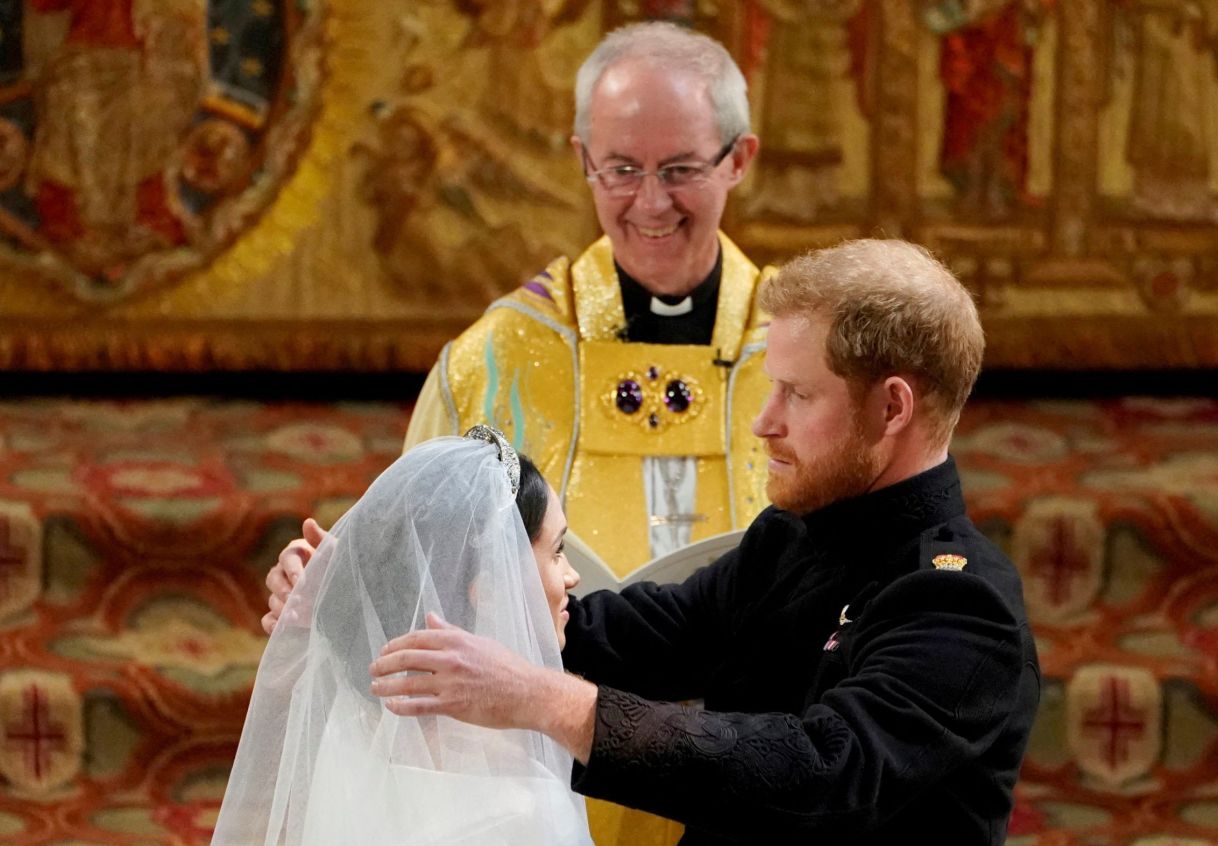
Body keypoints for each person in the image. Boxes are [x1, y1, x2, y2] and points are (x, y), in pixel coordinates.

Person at [358, 239, 1042, 844]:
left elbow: (817, 775)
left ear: (893, 407)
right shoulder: (790, 539)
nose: (763, 423)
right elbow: (631, 637)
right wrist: (364, 592)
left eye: (797, 396)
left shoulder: (960, 603)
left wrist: (547, 700)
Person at [271, 21, 770, 843]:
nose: (650, 201)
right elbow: (411, 577)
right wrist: (327, 592)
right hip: (536, 771)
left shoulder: (806, 350)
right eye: (620, 169)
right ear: (582, 160)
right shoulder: (495, 358)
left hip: (752, 765)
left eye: (680, 170)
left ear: (738, 160)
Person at [215, 426, 591, 845]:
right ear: (487, 584)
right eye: (557, 551)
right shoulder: (527, 800)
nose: (572, 576)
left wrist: (355, 590)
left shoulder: (353, 728)